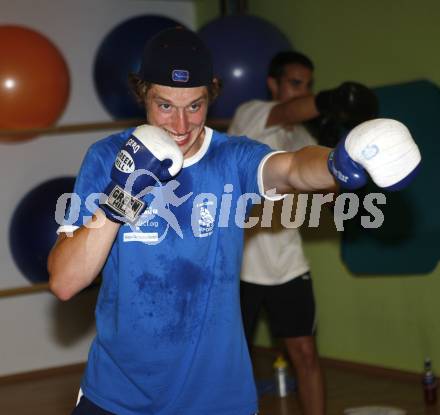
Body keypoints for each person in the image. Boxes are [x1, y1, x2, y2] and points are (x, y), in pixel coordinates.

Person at [47, 28, 420, 415]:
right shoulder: (108, 156)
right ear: (143, 93)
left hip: (217, 399)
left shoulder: (231, 158)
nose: (179, 125)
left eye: (195, 106)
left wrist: (337, 162)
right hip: (117, 396)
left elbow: (291, 168)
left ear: (211, 93)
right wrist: (120, 196)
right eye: (165, 106)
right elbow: (64, 282)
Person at [228, 51, 379, 415]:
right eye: (295, 83)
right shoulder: (252, 113)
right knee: (231, 365)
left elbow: (329, 201)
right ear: (273, 84)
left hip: (287, 261)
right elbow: (287, 111)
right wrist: (330, 101)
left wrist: (342, 159)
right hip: (238, 264)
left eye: (308, 86)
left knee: (306, 355)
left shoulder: (303, 137)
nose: (302, 93)